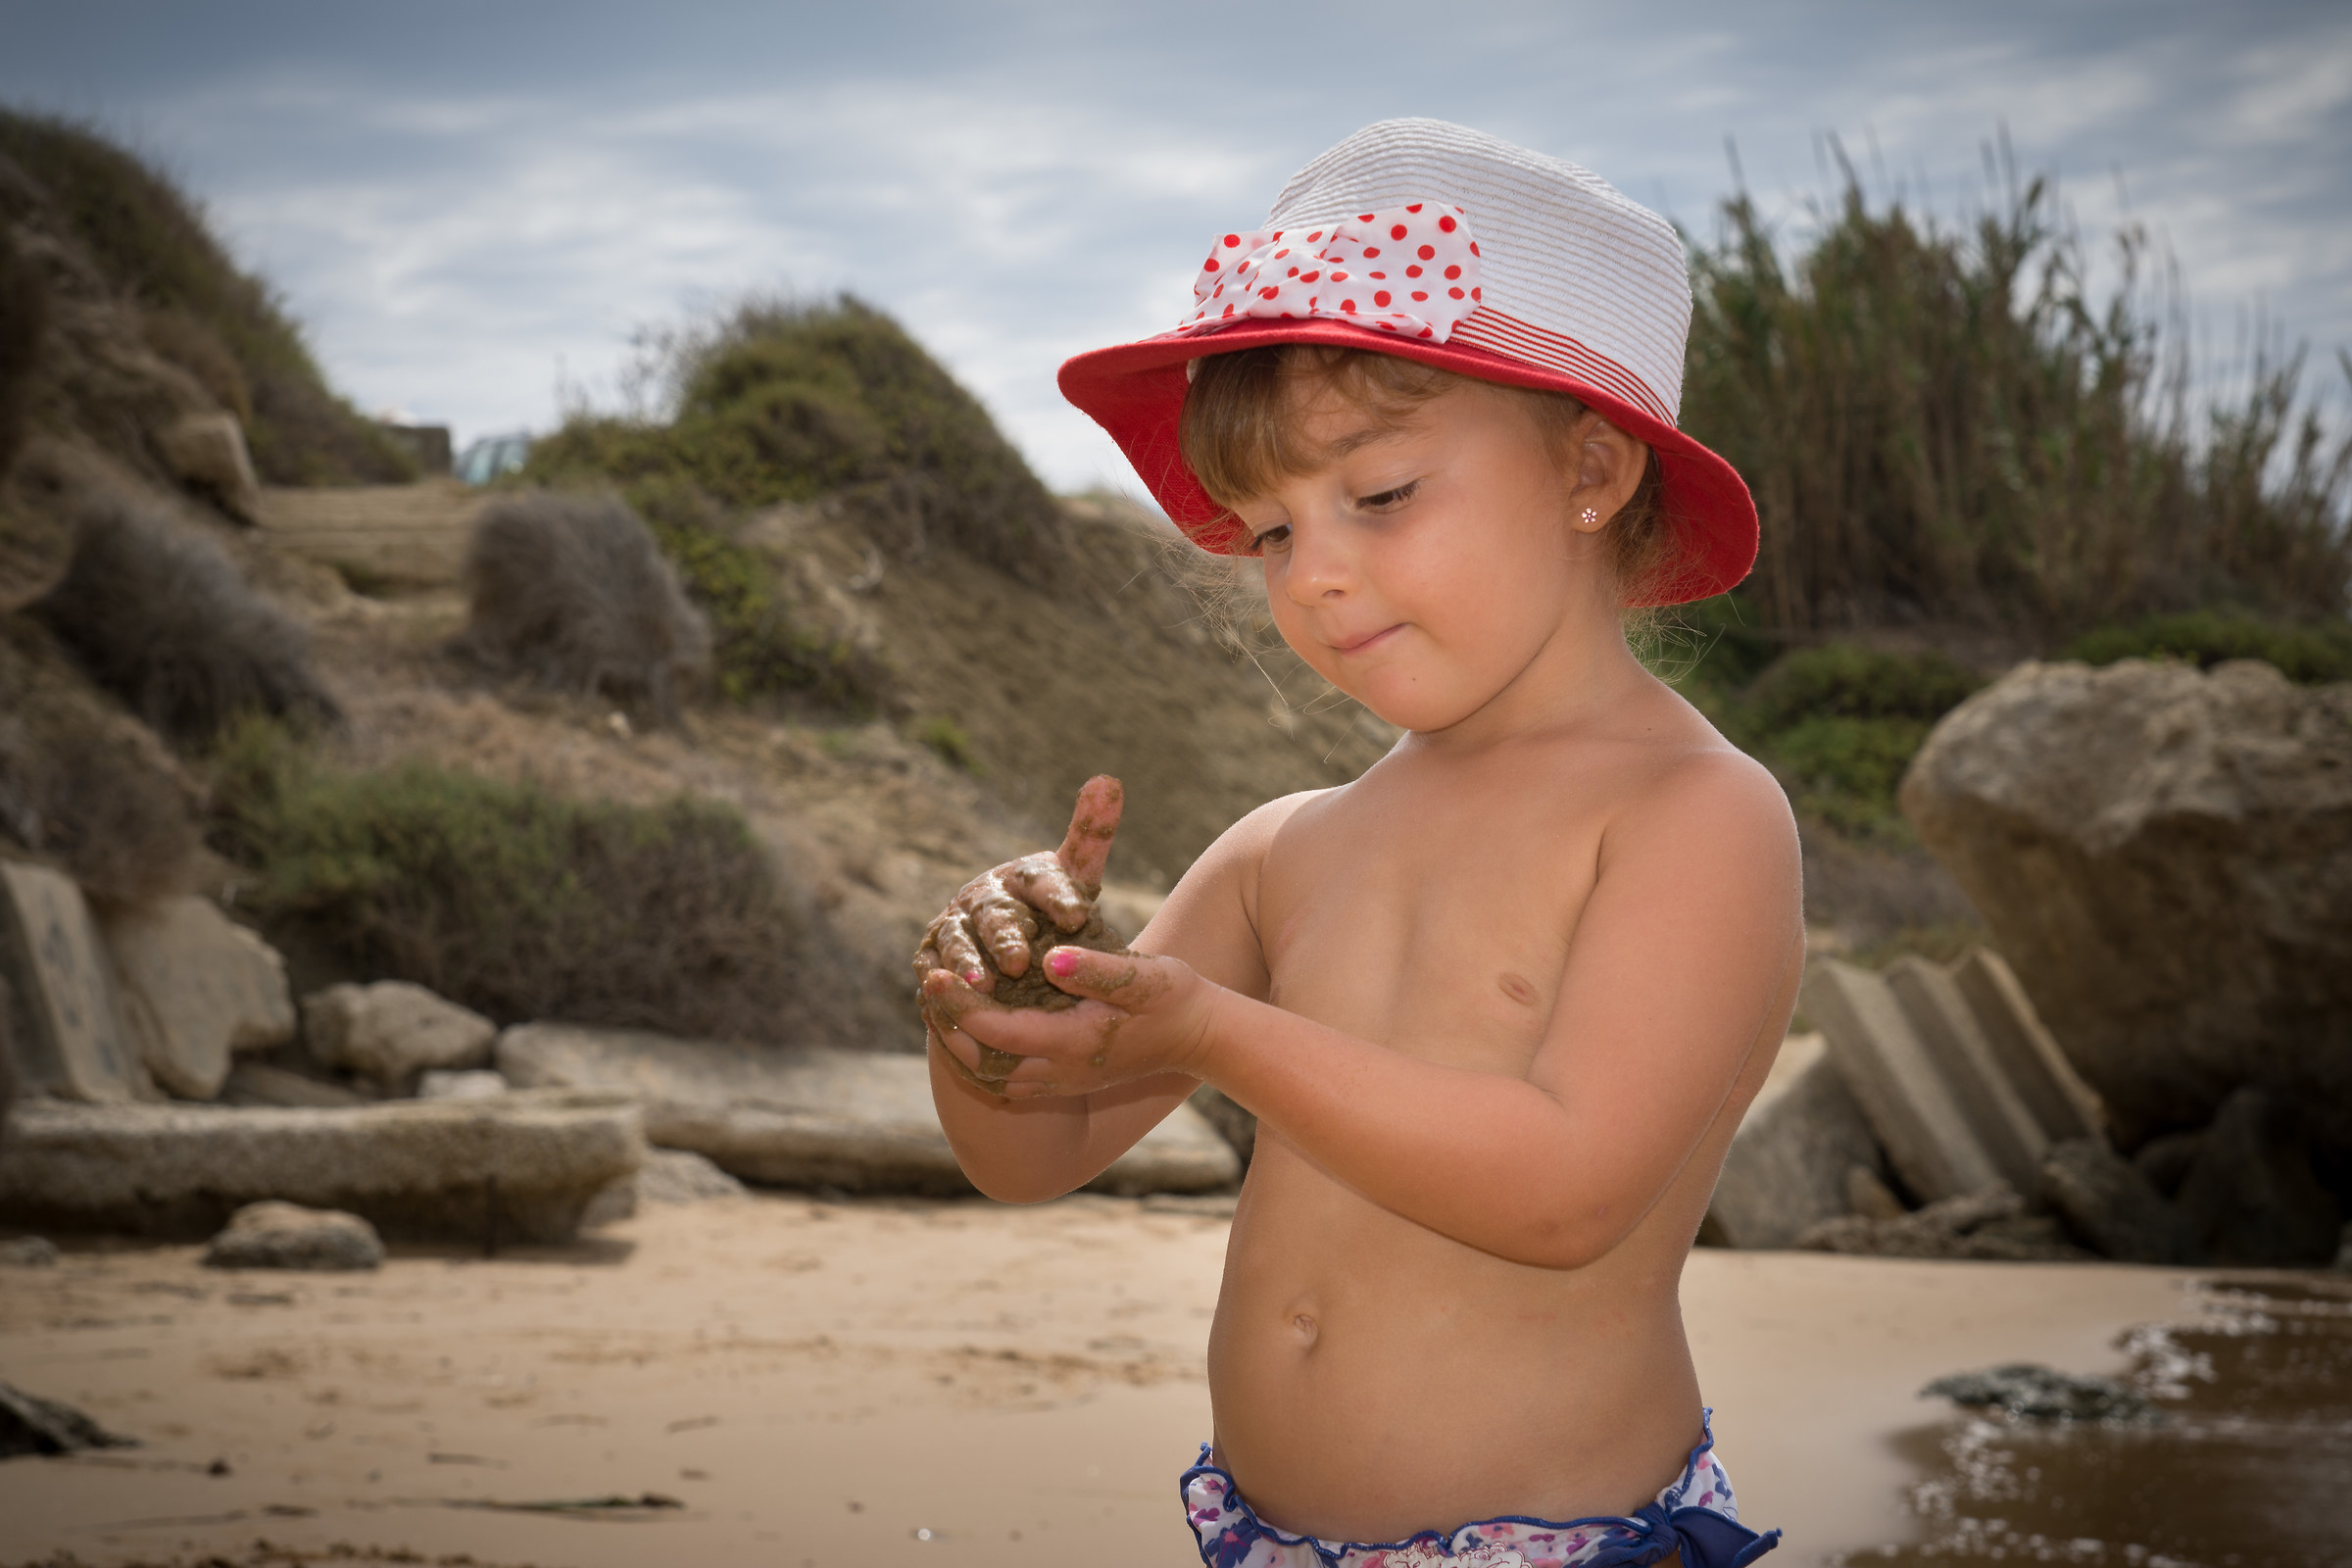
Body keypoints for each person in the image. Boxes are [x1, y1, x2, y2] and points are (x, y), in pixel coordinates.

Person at [915, 119, 1800, 1568]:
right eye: (1269, 531)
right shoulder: (1287, 850)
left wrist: (1213, 1030)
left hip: (1564, 1544)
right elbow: (1032, 1149)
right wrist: (991, 1011)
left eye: (1380, 497)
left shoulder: (1694, 815)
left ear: (1594, 465)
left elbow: (1566, 1189)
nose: (1316, 572)